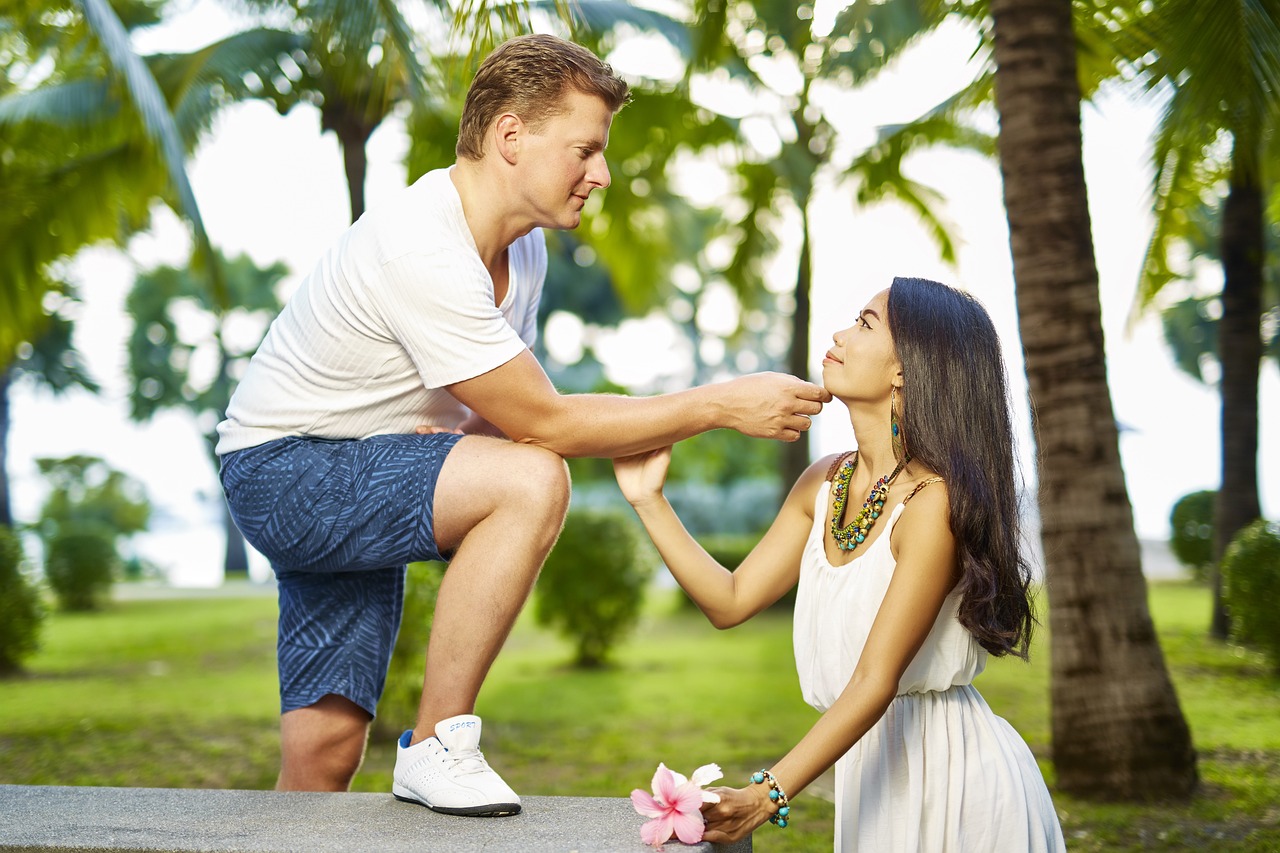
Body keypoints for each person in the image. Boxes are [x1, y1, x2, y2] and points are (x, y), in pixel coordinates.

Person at [215, 33, 830, 815]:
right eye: (585, 149)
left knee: (325, 750)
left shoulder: (524, 252)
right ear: (511, 136)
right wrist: (718, 405)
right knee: (535, 481)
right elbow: (544, 426)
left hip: (358, 468)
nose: (601, 173)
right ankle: (438, 742)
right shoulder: (420, 244)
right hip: (287, 472)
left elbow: (506, 417)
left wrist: (492, 452)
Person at [614, 277, 1067, 851]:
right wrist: (648, 500)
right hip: (869, 775)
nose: (839, 334)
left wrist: (764, 794)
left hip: (954, 784)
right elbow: (729, 602)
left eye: (865, 322)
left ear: (906, 369)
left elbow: (875, 682)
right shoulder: (824, 481)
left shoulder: (933, 503)